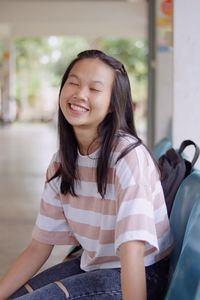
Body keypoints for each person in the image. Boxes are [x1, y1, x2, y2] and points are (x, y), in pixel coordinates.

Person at [0, 49, 173, 300]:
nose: (80, 94)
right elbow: (39, 247)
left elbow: (132, 251)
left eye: (94, 89)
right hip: (94, 264)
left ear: (114, 103)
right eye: (73, 83)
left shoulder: (127, 156)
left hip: (143, 274)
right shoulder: (61, 163)